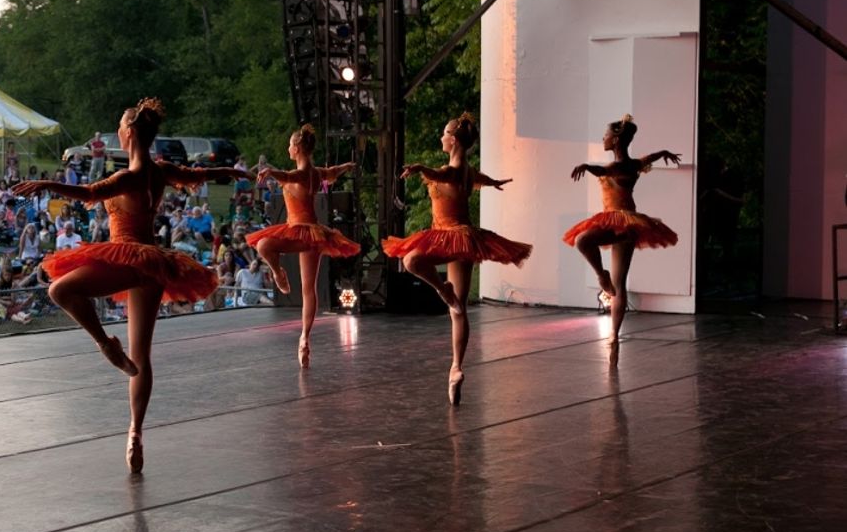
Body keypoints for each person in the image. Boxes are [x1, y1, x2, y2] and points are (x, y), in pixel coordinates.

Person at [13, 98, 249, 473]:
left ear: (129, 133)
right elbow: (195, 175)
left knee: (60, 290)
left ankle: (106, 344)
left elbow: (90, 194)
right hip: (154, 265)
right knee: (141, 357)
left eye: (120, 125)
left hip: (130, 257)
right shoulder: (160, 171)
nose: (118, 131)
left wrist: (46, 183)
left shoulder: (129, 178)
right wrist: (233, 172)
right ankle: (135, 433)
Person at [382, 112, 531, 406]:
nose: (440, 137)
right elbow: (478, 178)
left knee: (411, 261)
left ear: (452, 139)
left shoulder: (453, 168)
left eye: (443, 132)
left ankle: (441, 289)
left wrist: (419, 167)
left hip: (447, 235)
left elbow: (442, 175)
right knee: (458, 310)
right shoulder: (468, 170)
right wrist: (494, 181)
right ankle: (455, 368)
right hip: (464, 239)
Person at [248, 124, 360, 366]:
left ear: (297, 148)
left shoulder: (301, 173)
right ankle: (304, 339)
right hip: (314, 235)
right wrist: (346, 167)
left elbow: (288, 177)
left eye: (290, 144)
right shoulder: (316, 172)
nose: (288, 148)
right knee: (308, 289)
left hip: (300, 230)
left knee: (264, 245)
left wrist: (270, 172)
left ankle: (278, 273)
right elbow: (332, 172)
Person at [565, 114, 681, 347]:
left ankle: (601, 276)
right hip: (630, 224)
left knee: (582, 240)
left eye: (606, 135)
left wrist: (587, 167)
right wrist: (664, 153)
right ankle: (614, 336)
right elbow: (650, 157)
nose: (603, 138)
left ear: (616, 140)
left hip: (619, 221)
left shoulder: (616, 167)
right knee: (618, 283)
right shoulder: (634, 164)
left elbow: (603, 170)